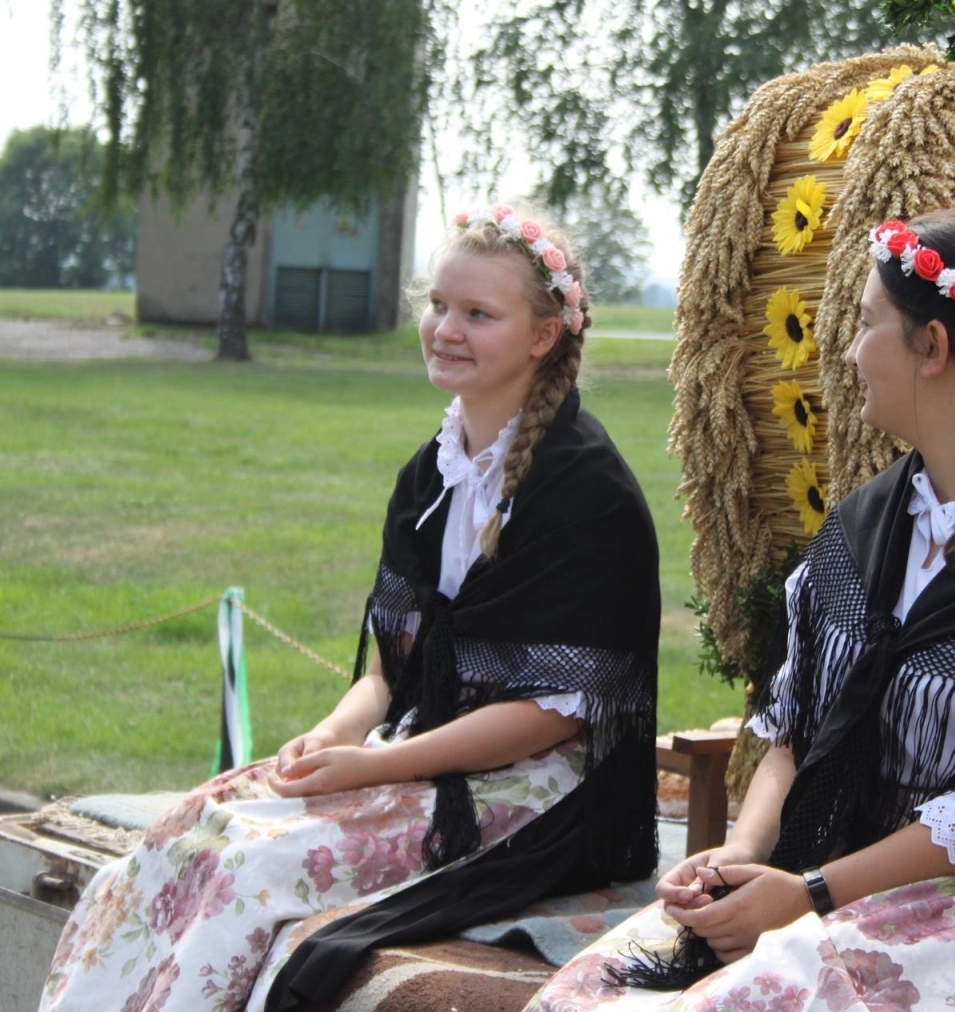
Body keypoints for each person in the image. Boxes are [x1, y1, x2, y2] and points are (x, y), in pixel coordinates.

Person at [40, 203, 661, 1012]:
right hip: (417, 748)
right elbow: (390, 669)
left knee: (244, 868)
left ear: (544, 337)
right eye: (439, 304)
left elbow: (551, 717)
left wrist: (373, 764)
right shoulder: (432, 476)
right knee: (184, 832)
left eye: (479, 314)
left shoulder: (586, 494)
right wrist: (336, 733)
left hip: (540, 796)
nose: (445, 328)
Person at [533, 205, 955, 1012]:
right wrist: (743, 856)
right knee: (586, 994)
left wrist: (810, 893)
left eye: (867, 325)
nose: (849, 351)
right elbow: (800, 728)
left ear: (933, 347)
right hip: (827, 873)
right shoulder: (866, 525)